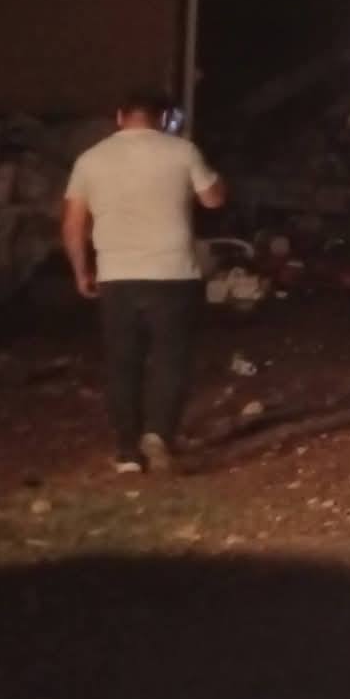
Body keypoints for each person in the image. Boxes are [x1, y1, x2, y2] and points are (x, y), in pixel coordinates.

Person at [61, 89, 226, 474]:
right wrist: (216, 178)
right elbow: (213, 200)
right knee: (170, 358)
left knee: (123, 363)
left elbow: (72, 224)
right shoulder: (182, 151)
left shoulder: (91, 159)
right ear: (162, 118)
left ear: (120, 117)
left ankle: (127, 453)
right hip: (173, 272)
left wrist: (81, 270)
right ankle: (159, 434)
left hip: (117, 275)